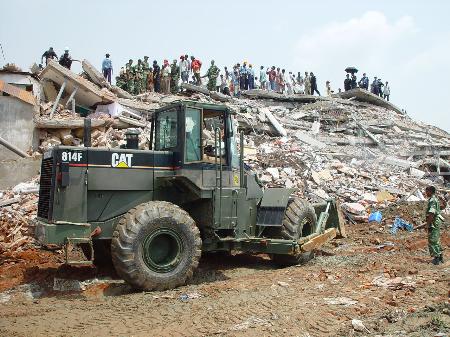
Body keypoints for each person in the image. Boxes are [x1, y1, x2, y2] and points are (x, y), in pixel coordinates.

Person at [424, 186, 444, 265]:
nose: (426, 193)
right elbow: (440, 208)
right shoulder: (435, 199)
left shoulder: (432, 200)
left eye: (426, 191)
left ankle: (436, 259)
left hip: (433, 222)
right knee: (436, 239)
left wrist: (428, 224)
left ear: (430, 191)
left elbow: (431, 213)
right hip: (436, 221)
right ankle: (440, 256)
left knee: (432, 240)